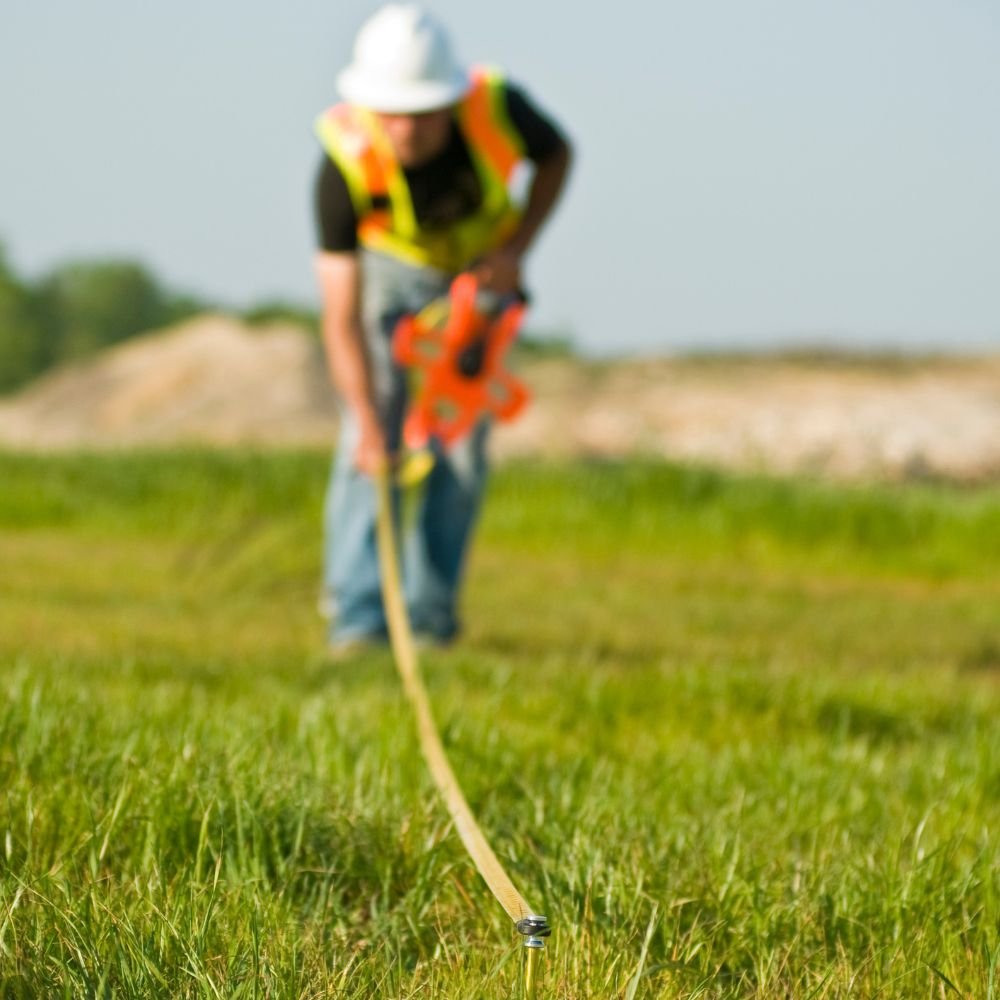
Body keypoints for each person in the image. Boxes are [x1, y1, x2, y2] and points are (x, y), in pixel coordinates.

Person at [313, 3, 572, 653]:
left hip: (476, 291)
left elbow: (558, 156)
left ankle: (430, 621)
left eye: (420, 111)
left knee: (459, 451)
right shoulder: (340, 166)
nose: (404, 127)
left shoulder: (499, 106)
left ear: (449, 101)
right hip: (391, 288)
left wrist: (516, 249)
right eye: (390, 111)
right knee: (367, 450)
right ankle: (359, 620)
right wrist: (370, 423)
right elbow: (341, 318)